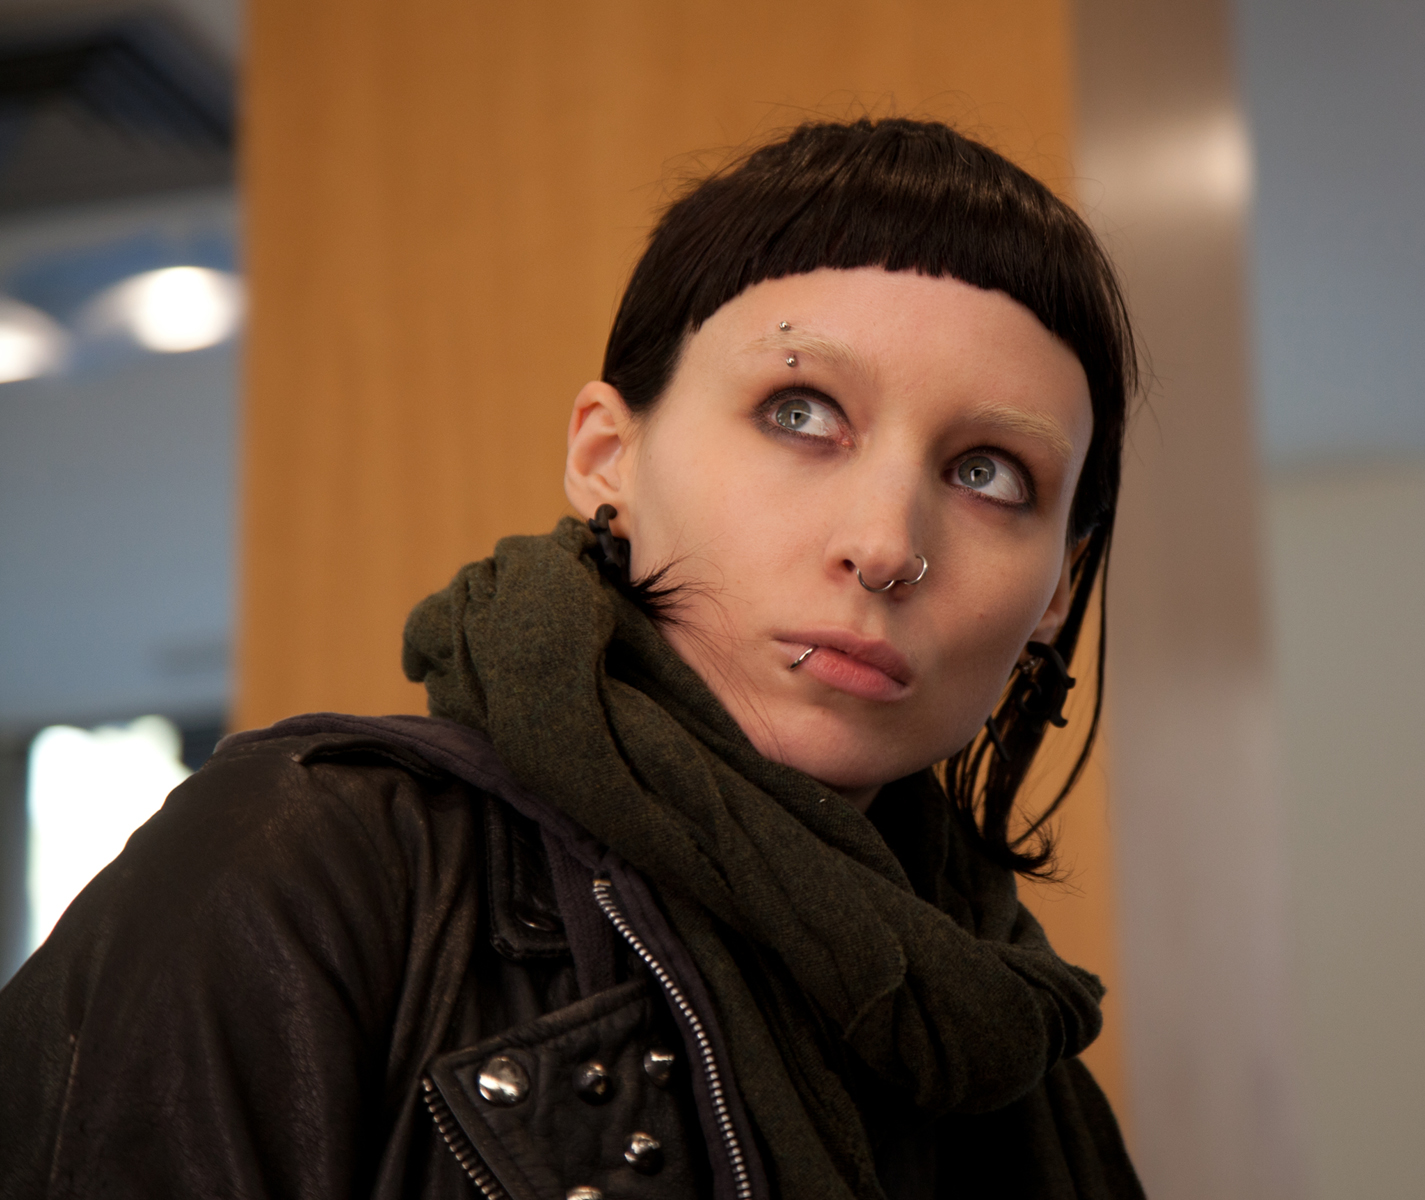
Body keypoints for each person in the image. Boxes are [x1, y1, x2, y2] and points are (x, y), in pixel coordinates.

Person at [0, 117, 1141, 1200]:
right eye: (800, 412)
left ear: (1056, 589)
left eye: (990, 475)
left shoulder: (1017, 1053)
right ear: (607, 456)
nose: (886, 547)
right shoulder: (300, 870)